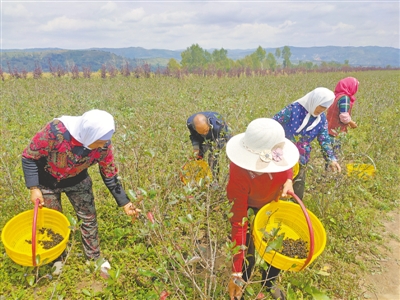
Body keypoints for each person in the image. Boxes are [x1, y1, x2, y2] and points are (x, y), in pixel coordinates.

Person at [21, 109, 141, 277]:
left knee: (88, 218)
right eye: (98, 141)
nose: (102, 145)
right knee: (53, 220)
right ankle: (57, 257)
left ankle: (93, 258)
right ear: (88, 133)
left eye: (104, 141)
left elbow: (109, 173)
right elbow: (29, 156)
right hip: (46, 181)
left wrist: (125, 202)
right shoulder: (55, 132)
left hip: (77, 180)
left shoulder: (104, 144)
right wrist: (34, 188)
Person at [226, 118, 300, 300]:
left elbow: (288, 167)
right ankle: (242, 283)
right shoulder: (238, 175)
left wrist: (288, 180)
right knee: (248, 252)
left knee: (277, 246)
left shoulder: (279, 157)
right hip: (250, 208)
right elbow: (239, 223)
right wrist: (236, 273)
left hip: (273, 205)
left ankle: (269, 283)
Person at [273, 87, 341, 200]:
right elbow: (273, 123)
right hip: (281, 155)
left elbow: (324, 139)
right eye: (321, 105)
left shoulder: (321, 120)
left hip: (301, 158)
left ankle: (294, 209)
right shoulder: (293, 110)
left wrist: (331, 159)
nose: (322, 109)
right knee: (276, 187)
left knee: (297, 188)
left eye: (325, 107)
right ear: (314, 100)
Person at [186, 111, 231, 178]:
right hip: (201, 137)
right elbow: (194, 136)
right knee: (197, 156)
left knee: (213, 158)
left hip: (217, 135)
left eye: (206, 130)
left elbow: (226, 137)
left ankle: (215, 180)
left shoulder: (218, 124)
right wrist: (196, 148)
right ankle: (200, 178)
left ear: (209, 124)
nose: (204, 133)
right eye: (202, 132)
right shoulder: (190, 123)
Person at [325, 77, 359, 159]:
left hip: (328, 131)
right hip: (335, 133)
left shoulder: (336, 96)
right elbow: (344, 117)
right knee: (336, 157)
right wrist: (351, 123)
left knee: (329, 158)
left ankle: (328, 171)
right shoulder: (345, 98)